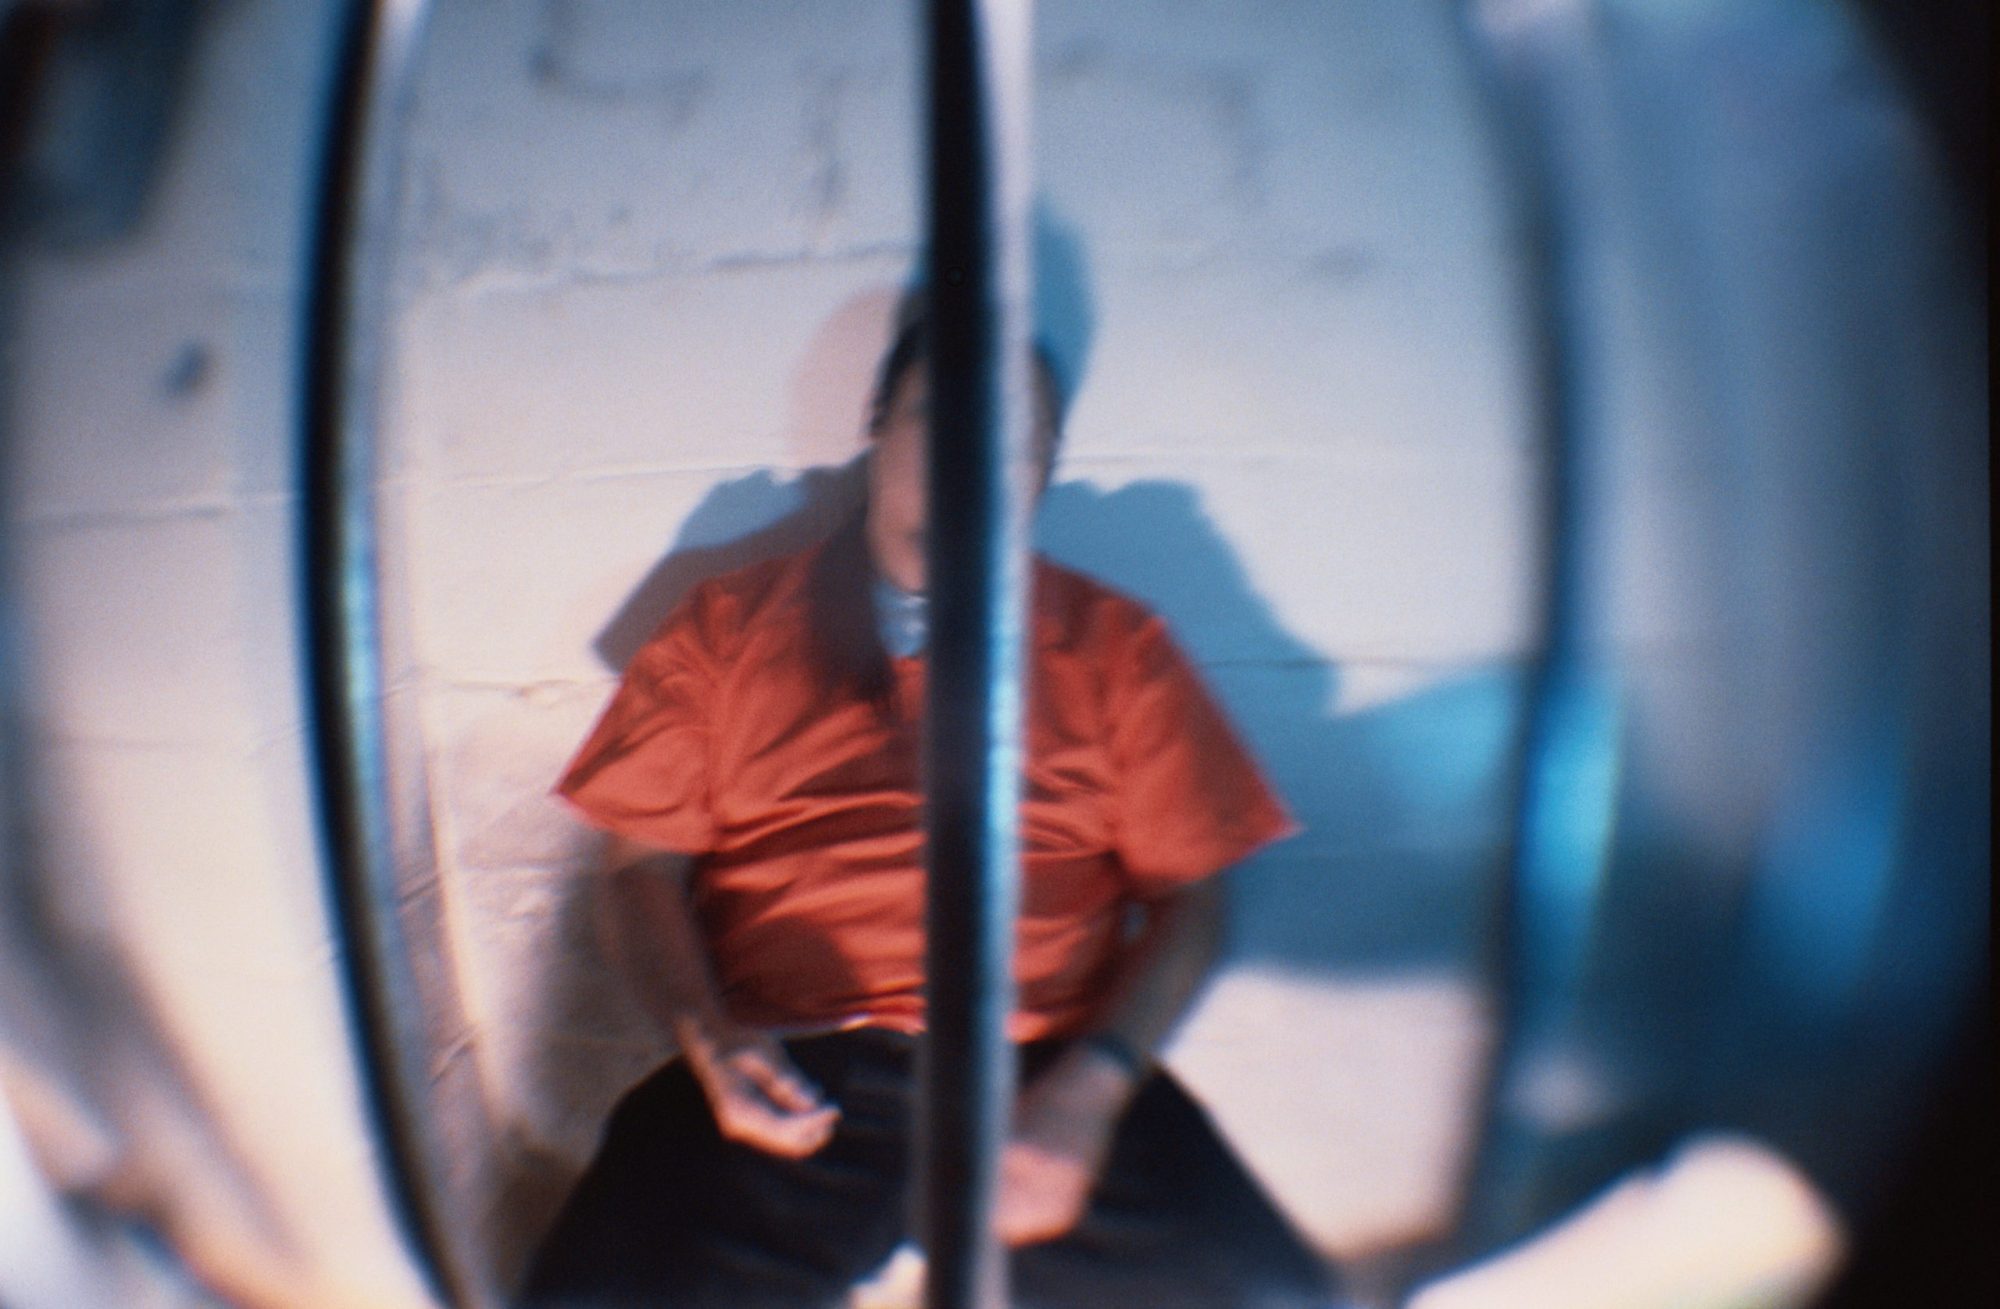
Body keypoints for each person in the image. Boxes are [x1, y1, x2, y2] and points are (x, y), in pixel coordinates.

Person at [518, 313, 1338, 1307]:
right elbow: (639, 869)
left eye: (1016, 435)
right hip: (793, 1063)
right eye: (935, 415)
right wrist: (712, 1040)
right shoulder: (726, 625)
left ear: (1044, 469)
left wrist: (1092, 1087)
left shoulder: (1115, 644)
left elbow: (1196, 902)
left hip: (1041, 1064)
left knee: (1266, 1291)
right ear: (874, 426)